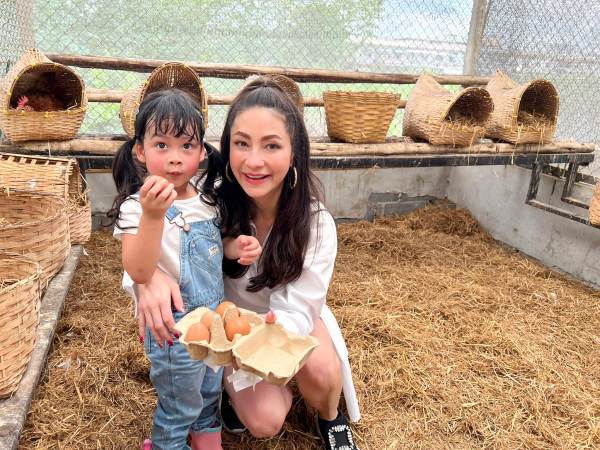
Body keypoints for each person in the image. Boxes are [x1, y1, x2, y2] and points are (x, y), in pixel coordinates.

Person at [137, 78, 361, 450]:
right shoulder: (210, 202)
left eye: (271, 145)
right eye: (242, 143)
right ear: (227, 147)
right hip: (225, 325)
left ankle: (330, 418)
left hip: (286, 318)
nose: (253, 161)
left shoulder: (315, 222)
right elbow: (150, 239)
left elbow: (301, 307)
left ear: (294, 152)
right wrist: (148, 280)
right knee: (264, 421)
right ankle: (231, 391)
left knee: (321, 370)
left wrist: (264, 340)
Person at [107, 89, 261, 450]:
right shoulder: (137, 207)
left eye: (186, 146)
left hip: (212, 322)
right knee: (180, 404)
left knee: (208, 393)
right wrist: (153, 215)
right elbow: (139, 270)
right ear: (140, 151)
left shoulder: (208, 200)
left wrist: (235, 247)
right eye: (161, 145)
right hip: (172, 327)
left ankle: (206, 439)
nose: (175, 158)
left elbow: (213, 246)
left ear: (202, 153)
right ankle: (167, 444)